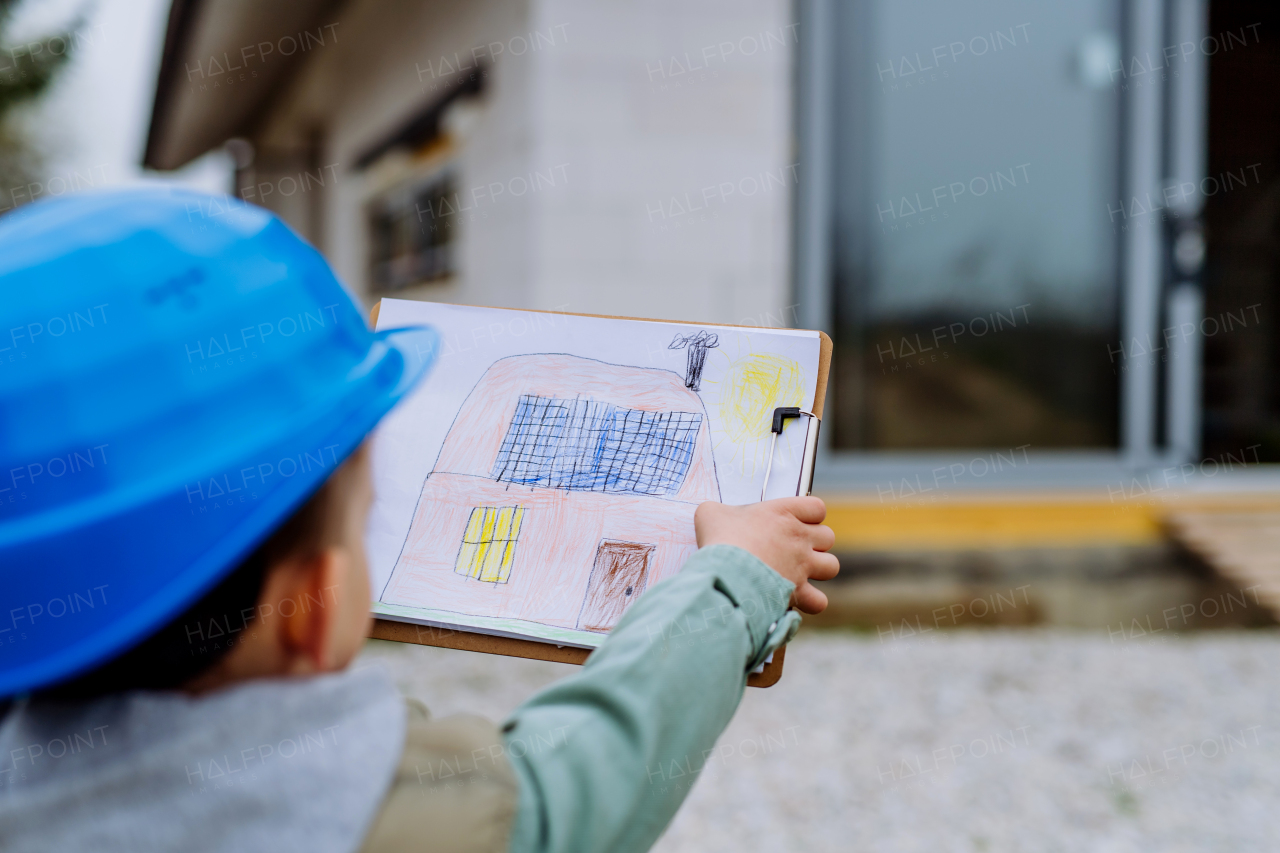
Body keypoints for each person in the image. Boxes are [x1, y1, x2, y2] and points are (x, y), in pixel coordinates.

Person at [0, 188, 839, 853]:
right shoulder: (373, 811)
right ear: (318, 605)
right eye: (367, 517)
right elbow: (587, 775)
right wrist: (734, 575)